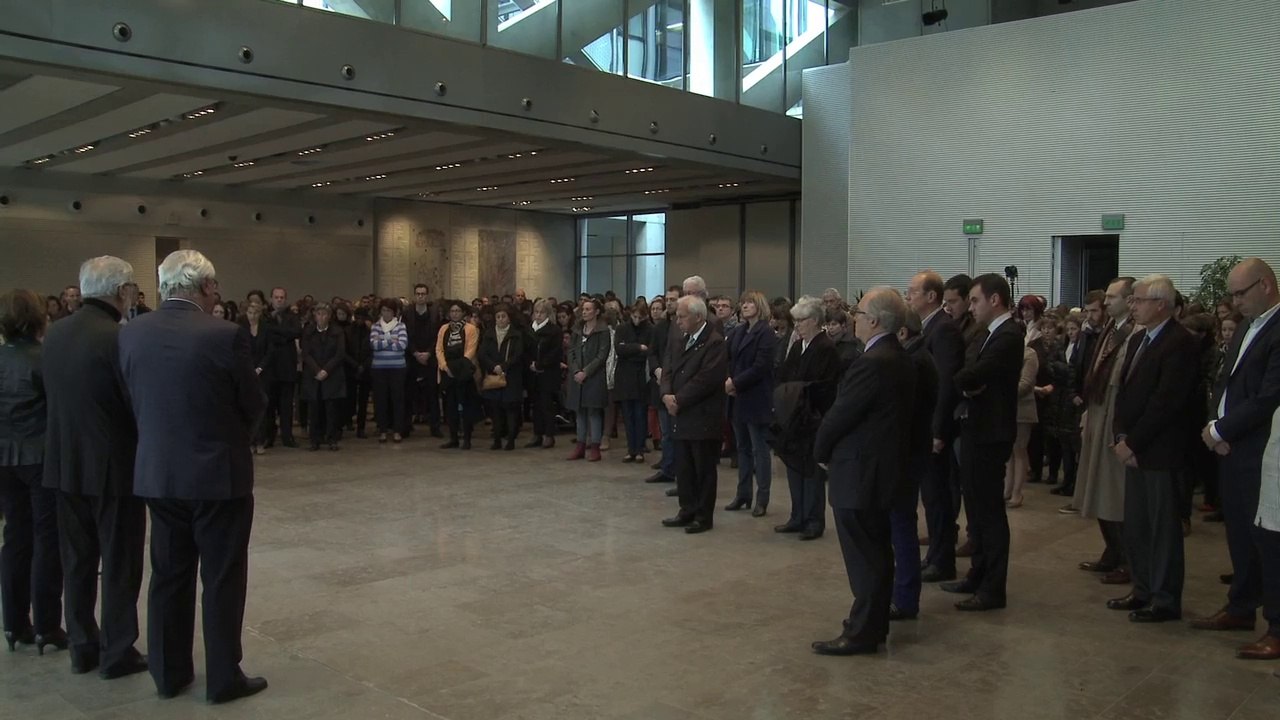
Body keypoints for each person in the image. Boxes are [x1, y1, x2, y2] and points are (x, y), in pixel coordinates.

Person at [118, 250, 268, 704]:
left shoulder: (132, 332)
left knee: (168, 575)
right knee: (221, 577)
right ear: (204, 286)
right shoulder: (225, 335)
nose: (216, 293)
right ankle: (223, 677)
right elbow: (253, 404)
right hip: (218, 475)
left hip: (159, 474)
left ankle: (168, 672)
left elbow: (131, 397)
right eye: (214, 286)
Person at [41, 257, 148, 677]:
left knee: (78, 560)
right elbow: (132, 402)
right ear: (121, 291)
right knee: (119, 562)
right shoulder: (117, 338)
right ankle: (117, 650)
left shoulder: (55, 333)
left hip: (64, 463)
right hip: (112, 467)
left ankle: (82, 645)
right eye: (132, 288)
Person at [810, 288, 916, 655]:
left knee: (864, 556)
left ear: (873, 320)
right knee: (877, 551)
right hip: (880, 468)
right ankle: (873, 624)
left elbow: (841, 414)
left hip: (860, 471)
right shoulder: (900, 356)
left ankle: (862, 632)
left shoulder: (872, 362)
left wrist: (819, 450)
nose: (853, 317)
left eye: (858, 312)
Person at [1194, 258, 1280, 660]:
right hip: (1230, 445)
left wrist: (1223, 430)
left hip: (1261, 448)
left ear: (1265, 285)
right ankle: (1241, 606)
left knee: (1268, 539)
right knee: (1240, 534)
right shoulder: (1247, 326)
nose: (1235, 301)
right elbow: (1224, 382)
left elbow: (1269, 397)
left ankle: (1276, 626)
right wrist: (1215, 424)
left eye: (1240, 293)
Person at [1107, 274, 1199, 623]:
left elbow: (1166, 403)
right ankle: (1142, 588)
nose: (1133, 306)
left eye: (1139, 300)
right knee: (1137, 526)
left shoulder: (1180, 342)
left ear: (1161, 304)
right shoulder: (1138, 339)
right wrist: (1120, 435)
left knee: (1163, 530)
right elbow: (1125, 394)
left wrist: (1133, 443)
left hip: (1161, 451)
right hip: (1133, 448)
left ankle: (1164, 599)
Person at [941, 273, 1023, 611]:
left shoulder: (1009, 335)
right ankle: (978, 573)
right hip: (977, 427)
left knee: (989, 513)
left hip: (991, 433)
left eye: (975, 300)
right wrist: (967, 383)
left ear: (995, 300)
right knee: (975, 508)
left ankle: (992, 587)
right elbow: (971, 373)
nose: (971, 307)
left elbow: (974, 373)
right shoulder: (989, 334)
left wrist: (958, 381)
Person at [0, 289, 66, 655]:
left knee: (15, 537)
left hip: (4, 459)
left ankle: (13, 622)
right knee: (46, 540)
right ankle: (46, 625)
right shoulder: (44, 359)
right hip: (39, 458)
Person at [1072, 278, 1137, 586]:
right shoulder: (1111, 328)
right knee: (1097, 484)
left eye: (1113, 297)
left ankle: (1127, 558)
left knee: (1114, 490)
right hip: (1099, 408)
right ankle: (1112, 550)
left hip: (1115, 413)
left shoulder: (1133, 331)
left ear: (1129, 299)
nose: (1107, 301)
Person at [906, 270, 966, 584]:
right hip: (925, 425)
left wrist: (938, 430)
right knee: (930, 496)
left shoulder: (943, 329)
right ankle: (934, 555)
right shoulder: (927, 328)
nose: (908, 297)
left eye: (913, 291)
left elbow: (946, 383)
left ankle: (942, 560)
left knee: (938, 495)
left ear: (931, 296)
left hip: (935, 427)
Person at [773, 296, 840, 541]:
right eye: (796, 321)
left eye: (801, 320)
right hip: (795, 416)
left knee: (812, 472)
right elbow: (784, 375)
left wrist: (796, 391)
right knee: (795, 468)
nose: (797, 325)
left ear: (814, 320)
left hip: (813, 416)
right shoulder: (798, 346)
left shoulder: (825, 348)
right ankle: (797, 515)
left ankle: (813, 520)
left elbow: (824, 386)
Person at [659, 296, 728, 535]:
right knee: (684, 466)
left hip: (702, 415)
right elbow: (668, 369)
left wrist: (679, 399)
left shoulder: (714, 343)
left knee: (703, 468)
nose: (678, 321)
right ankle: (686, 509)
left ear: (698, 317)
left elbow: (706, 379)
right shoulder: (681, 339)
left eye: (682, 316)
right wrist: (666, 394)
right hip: (680, 413)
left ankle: (703, 515)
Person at [889, 309, 937, 621]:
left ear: (902, 333)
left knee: (902, 525)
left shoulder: (914, 362)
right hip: (912, 450)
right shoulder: (919, 356)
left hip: (907, 453)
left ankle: (905, 597)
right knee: (901, 523)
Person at [725, 290, 778, 517]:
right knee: (743, 448)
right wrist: (729, 380)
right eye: (743, 303)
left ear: (760, 306)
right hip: (738, 397)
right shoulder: (739, 331)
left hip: (757, 397)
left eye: (749, 303)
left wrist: (735, 382)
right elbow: (728, 358)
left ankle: (762, 498)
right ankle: (743, 494)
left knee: (760, 450)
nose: (745, 306)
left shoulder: (766, 333)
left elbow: (761, 367)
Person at [566, 298, 610, 461]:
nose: (584, 312)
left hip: (594, 377)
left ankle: (595, 447)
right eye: (583, 309)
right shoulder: (577, 330)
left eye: (588, 309)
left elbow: (602, 355)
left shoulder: (603, 331)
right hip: (577, 377)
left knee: (594, 412)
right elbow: (571, 351)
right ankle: (580, 445)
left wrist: (586, 371)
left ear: (596, 312)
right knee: (580, 412)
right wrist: (576, 370)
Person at [301, 304, 346, 451]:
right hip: (313, 375)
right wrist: (317, 370)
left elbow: (339, 353)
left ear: (329, 316)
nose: (322, 317)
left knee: (331, 409)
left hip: (332, 374)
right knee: (314, 409)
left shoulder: (337, 332)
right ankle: (315, 439)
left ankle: (332, 438)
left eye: (325, 314)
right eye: (319, 314)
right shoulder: (308, 331)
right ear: (314, 316)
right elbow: (306, 353)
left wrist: (326, 370)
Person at [478, 304, 524, 451]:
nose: (500, 319)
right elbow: (482, 353)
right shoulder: (489, 334)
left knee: (510, 410)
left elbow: (517, 355)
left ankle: (510, 440)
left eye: (503, 316)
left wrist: (503, 367)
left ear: (509, 318)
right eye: (498, 317)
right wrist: (494, 367)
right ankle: (497, 439)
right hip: (494, 376)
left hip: (511, 376)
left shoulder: (516, 335)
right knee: (495, 410)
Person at [436, 300, 481, 450]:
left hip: (464, 371)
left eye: (457, 311)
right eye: (452, 311)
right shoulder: (444, 328)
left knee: (466, 406)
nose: (454, 314)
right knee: (450, 406)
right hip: (447, 371)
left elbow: (470, 350)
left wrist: (458, 368)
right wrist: (444, 366)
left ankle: (467, 438)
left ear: (463, 313)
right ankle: (453, 438)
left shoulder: (471, 329)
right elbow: (439, 349)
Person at [614, 299, 653, 464]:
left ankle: (640, 449)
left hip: (640, 376)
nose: (637, 320)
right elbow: (619, 349)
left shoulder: (650, 329)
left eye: (640, 317)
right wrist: (638, 347)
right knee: (628, 415)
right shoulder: (622, 328)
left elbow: (649, 351)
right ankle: (631, 449)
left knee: (640, 414)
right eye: (634, 316)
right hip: (624, 376)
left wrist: (630, 348)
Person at [263, 287, 301, 449]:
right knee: (270, 405)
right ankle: (269, 436)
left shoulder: (292, 316)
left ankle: (287, 436)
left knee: (286, 406)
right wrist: (284, 336)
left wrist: (279, 332)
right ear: (271, 298)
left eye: (282, 297)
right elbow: (266, 334)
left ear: (285, 299)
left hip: (287, 366)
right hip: (271, 367)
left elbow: (296, 332)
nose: (279, 300)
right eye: (276, 297)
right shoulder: (266, 317)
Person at [405, 284, 443, 437]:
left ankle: (435, 427)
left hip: (430, 358)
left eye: (423, 294)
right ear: (414, 295)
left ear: (427, 296)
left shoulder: (434, 314)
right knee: (409, 393)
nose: (420, 296)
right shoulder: (407, 313)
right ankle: (406, 426)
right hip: (412, 357)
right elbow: (406, 335)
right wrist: (415, 353)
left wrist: (428, 353)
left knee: (432, 394)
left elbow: (437, 336)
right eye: (418, 294)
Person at [1004, 343, 1039, 508]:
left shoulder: (1029, 355)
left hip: (1023, 409)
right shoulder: (1007, 351)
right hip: (1007, 409)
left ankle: (1017, 492)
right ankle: (1007, 489)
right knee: (1008, 452)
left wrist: (1001, 392)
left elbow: (1025, 383)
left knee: (1019, 450)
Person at [369, 298, 408, 444]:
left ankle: (397, 430)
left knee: (397, 400)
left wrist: (383, 340)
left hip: (397, 368)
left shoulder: (401, 326)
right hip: (379, 368)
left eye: (389, 311)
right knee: (381, 400)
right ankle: (383, 430)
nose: (386, 313)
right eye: (384, 310)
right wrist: (392, 339)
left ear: (394, 312)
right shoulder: (375, 326)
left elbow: (402, 345)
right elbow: (374, 345)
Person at [527, 299, 563, 449]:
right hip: (532, 372)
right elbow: (525, 349)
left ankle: (549, 435)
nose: (538, 315)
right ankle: (537, 433)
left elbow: (555, 352)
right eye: (536, 312)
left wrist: (540, 364)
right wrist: (530, 363)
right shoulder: (529, 329)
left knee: (547, 405)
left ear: (548, 314)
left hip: (548, 373)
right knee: (535, 405)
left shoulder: (554, 331)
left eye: (541, 312)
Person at [241, 301, 274, 454]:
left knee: (262, 406)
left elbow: (270, 351)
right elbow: (240, 351)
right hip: (246, 372)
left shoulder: (266, 329)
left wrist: (260, 368)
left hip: (263, 373)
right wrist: (249, 369)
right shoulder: (241, 329)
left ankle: (261, 440)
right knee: (248, 408)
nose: (253, 316)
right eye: (250, 313)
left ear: (260, 314)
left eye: (255, 313)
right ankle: (249, 441)